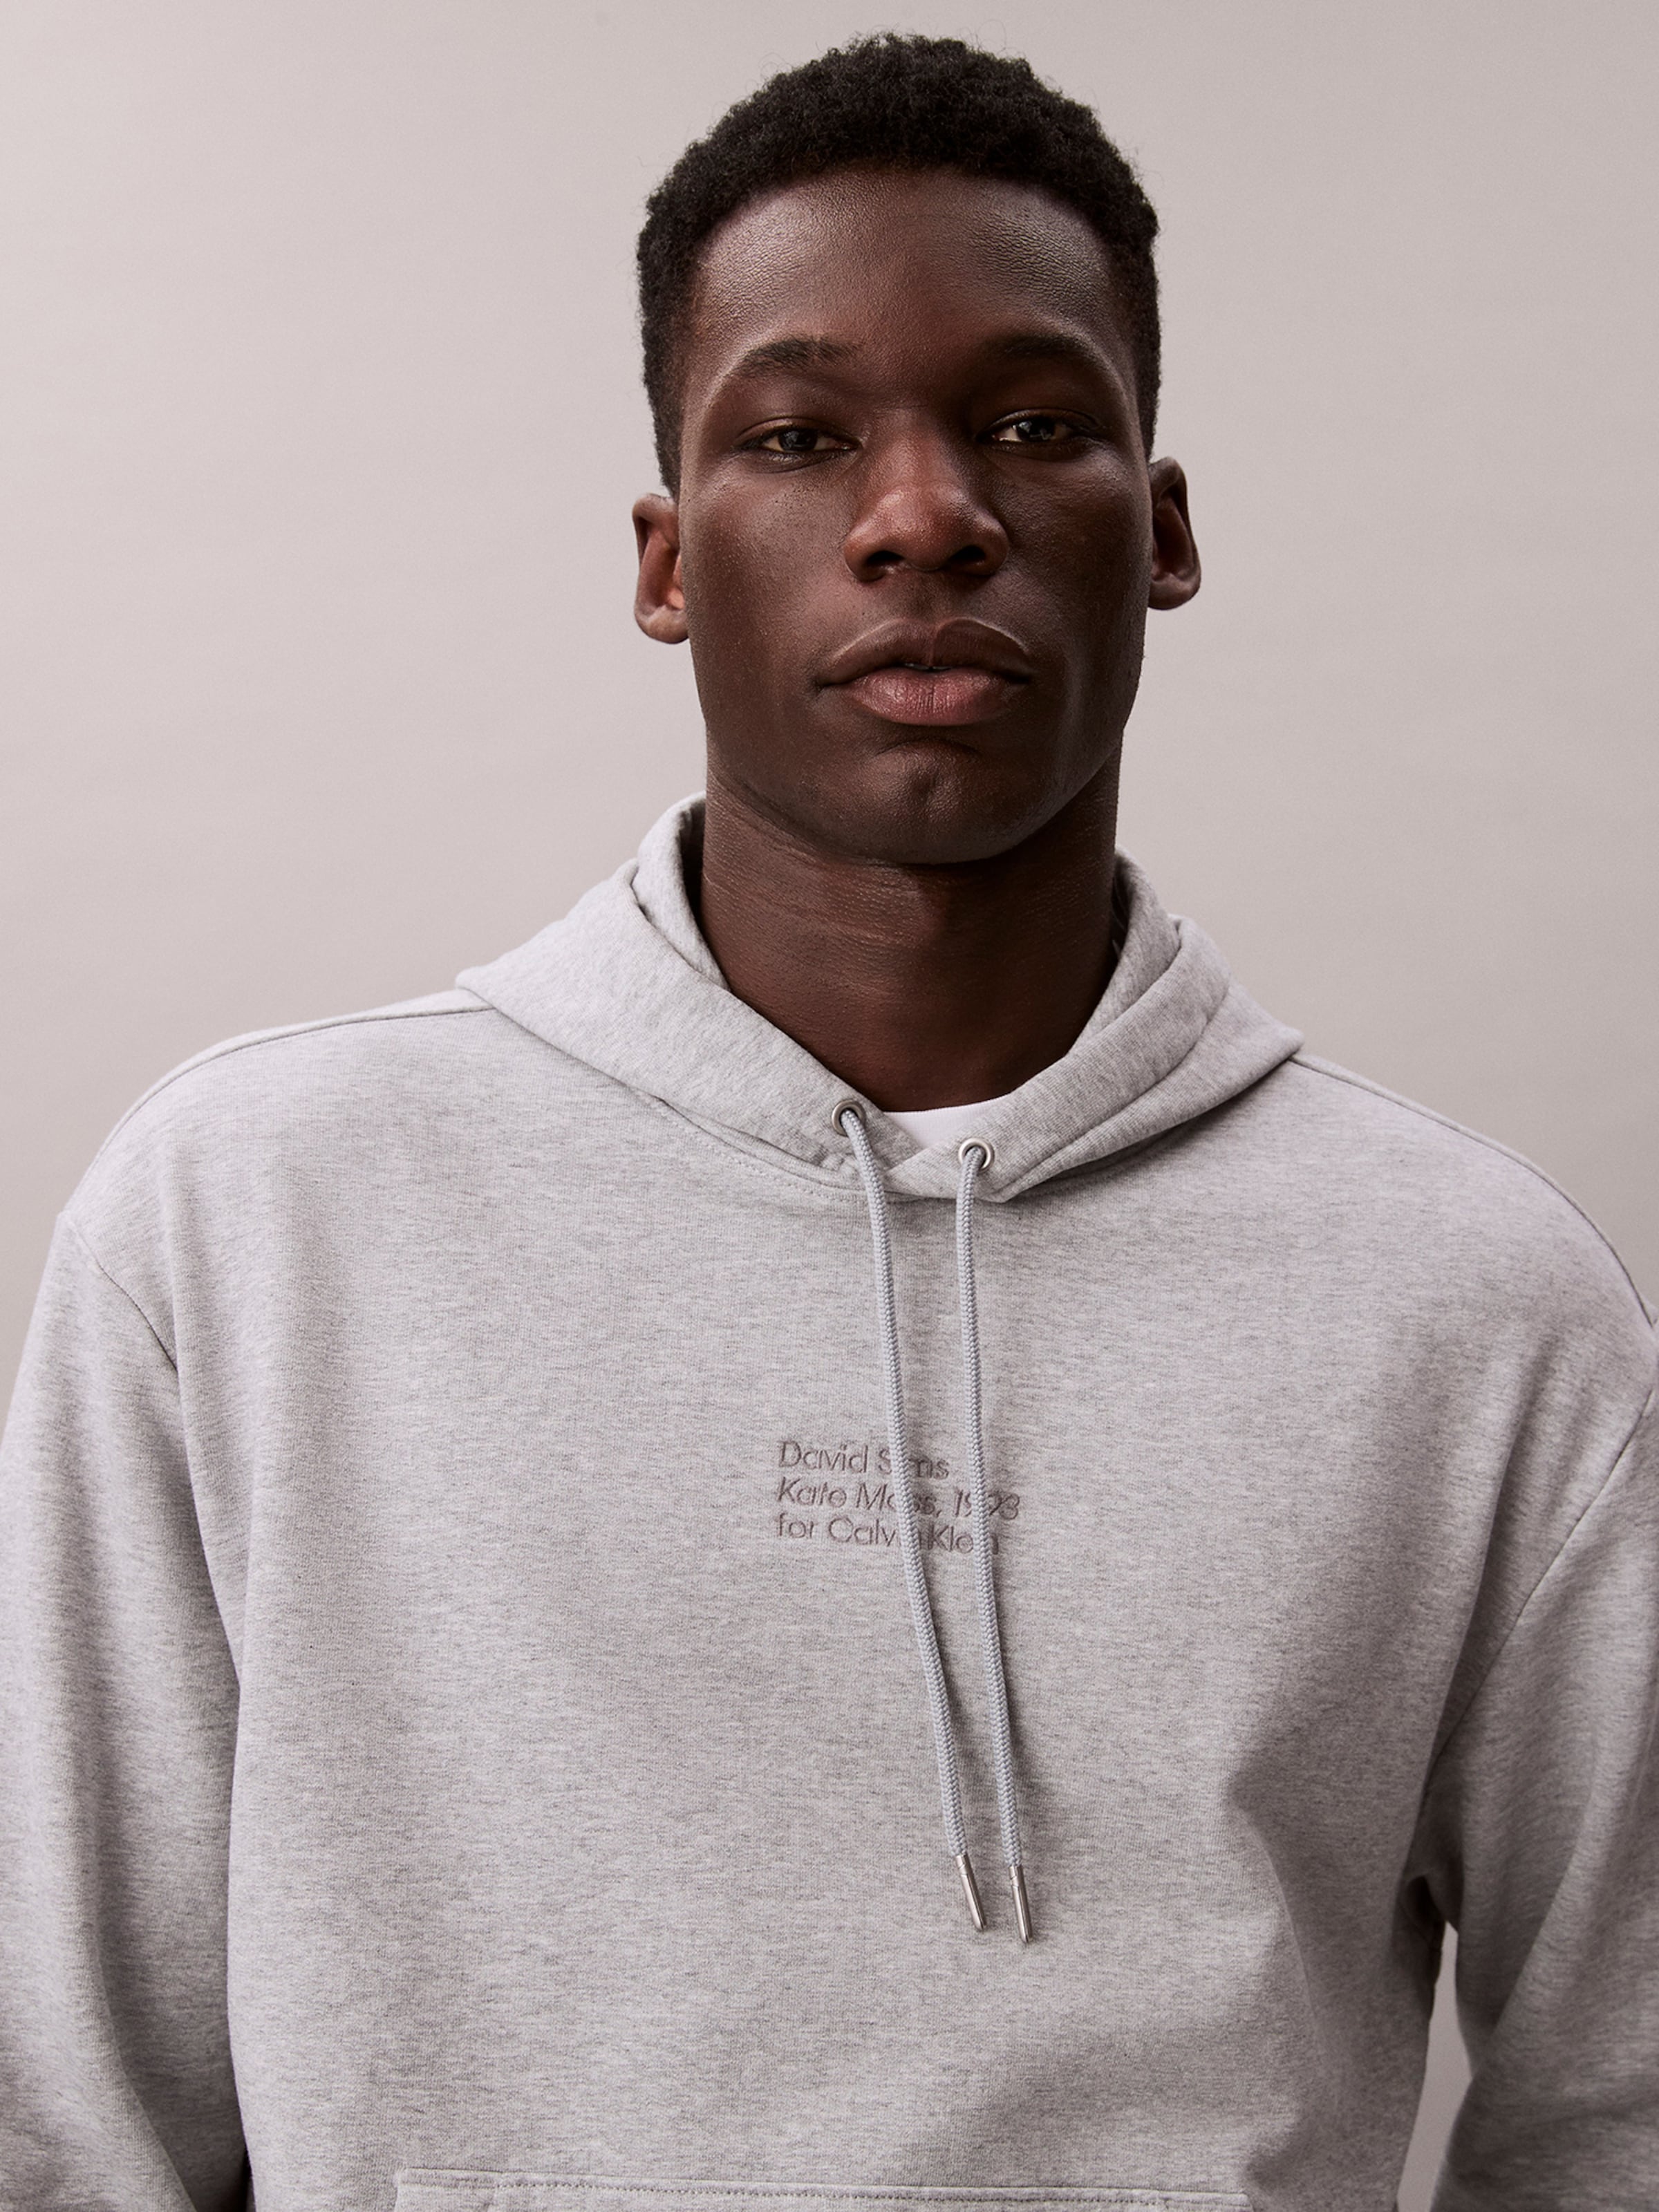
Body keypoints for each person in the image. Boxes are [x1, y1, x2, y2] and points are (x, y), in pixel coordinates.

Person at [1, 31, 1653, 2212]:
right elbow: (70, 2128)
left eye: (1033, 424)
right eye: (799, 437)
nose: (924, 516)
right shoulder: (249, 1225)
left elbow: (1623, 2116)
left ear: (1160, 531)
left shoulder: (1476, 1304)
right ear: (669, 561)